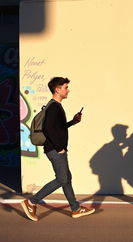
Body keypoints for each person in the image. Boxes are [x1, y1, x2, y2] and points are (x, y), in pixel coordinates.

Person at [21, 77, 95, 221]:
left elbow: (57, 128)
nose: (68, 90)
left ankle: (75, 208)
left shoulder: (54, 106)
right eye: (66, 87)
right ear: (57, 89)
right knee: (62, 179)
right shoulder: (54, 107)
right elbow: (48, 129)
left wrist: (72, 122)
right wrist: (60, 148)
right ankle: (31, 202)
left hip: (56, 149)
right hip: (55, 150)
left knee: (66, 179)